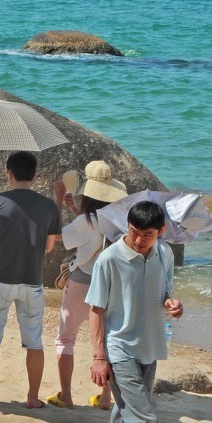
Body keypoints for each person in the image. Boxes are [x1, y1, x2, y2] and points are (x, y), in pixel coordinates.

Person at [87, 200, 182, 423]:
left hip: (150, 347)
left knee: (124, 419)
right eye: (134, 232)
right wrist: (99, 357)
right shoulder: (109, 259)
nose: (140, 239)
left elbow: (165, 294)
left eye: (148, 234)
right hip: (119, 350)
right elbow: (96, 310)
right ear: (127, 227)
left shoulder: (164, 254)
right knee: (143, 421)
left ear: (161, 232)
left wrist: (172, 305)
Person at [0, 151, 61, 409]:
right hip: (32, 280)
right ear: (35, 175)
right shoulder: (48, 206)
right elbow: (48, 247)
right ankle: (32, 398)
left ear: (8, 173)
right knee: (34, 341)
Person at [48, 161, 126, 410]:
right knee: (105, 341)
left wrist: (58, 201)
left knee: (65, 339)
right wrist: (75, 210)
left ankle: (67, 395)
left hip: (82, 282)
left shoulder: (86, 221)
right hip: (110, 286)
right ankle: (105, 398)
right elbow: (94, 236)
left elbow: (58, 234)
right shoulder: (117, 219)